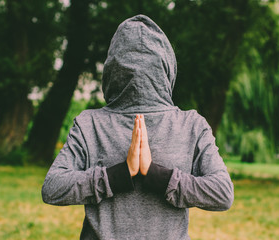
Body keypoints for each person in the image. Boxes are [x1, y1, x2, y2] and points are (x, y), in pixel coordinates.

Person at [42, 14, 234, 239]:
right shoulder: (89, 125)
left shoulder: (191, 125)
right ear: (166, 66)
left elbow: (221, 193)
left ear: (112, 67)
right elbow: (53, 187)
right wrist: (121, 174)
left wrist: (155, 174)